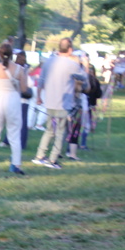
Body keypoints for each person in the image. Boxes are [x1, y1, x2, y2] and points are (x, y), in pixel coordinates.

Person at [32, 38, 83, 169]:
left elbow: (41, 81)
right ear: (70, 49)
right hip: (63, 104)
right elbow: (83, 77)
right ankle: (52, 159)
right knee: (59, 132)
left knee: (49, 130)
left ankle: (39, 155)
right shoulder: (72, 65)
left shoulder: (48, 62)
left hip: (50, 101)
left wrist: (39, 97)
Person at [0, 42, 29, 174]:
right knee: (14, 132)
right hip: (13, 99)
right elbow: (24, 89)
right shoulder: (19, 69)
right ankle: (16, 163)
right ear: (11, 54)